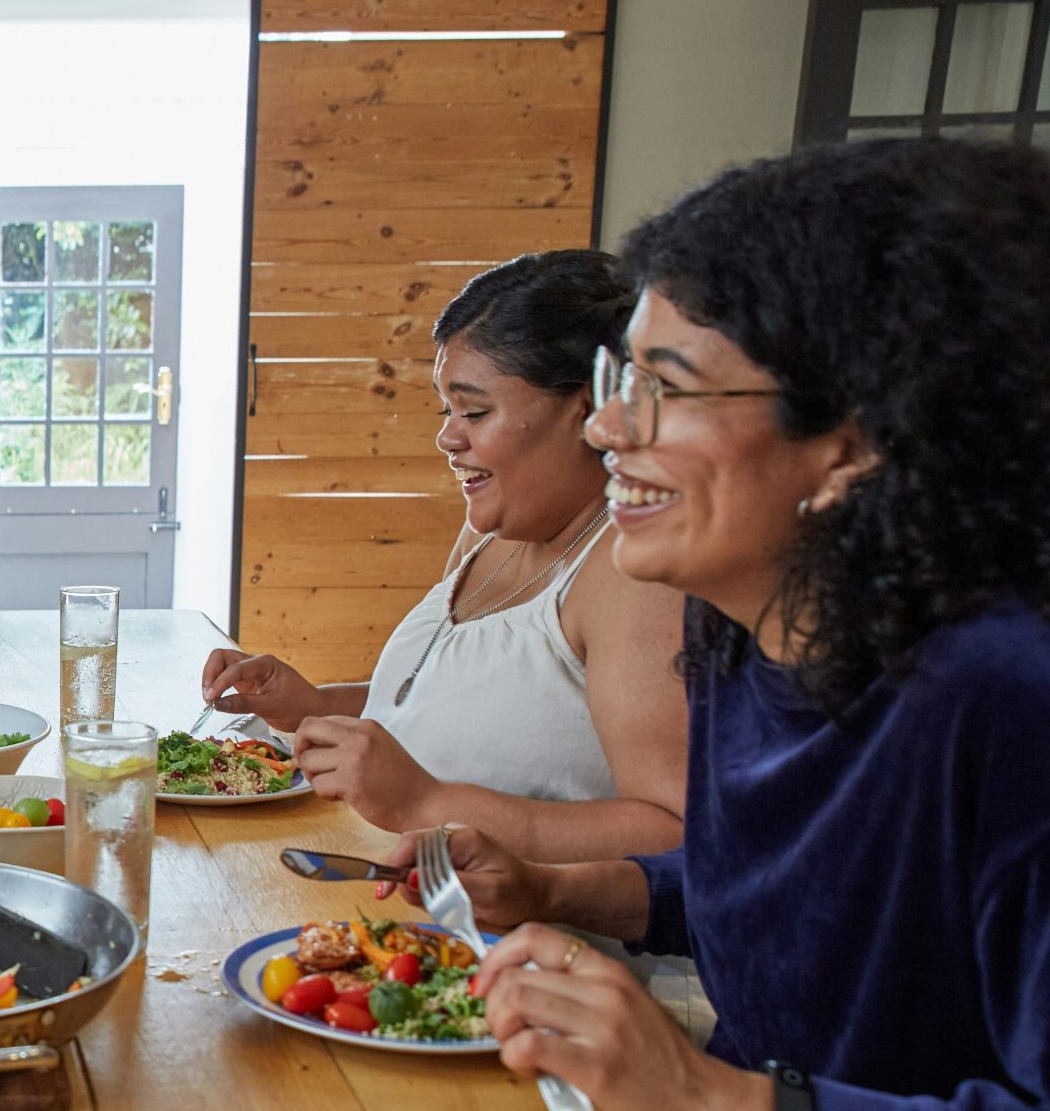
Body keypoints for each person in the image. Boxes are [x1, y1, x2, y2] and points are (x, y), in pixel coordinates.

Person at [407, 140, 1050, 1111]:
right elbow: (791, 898)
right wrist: (558, 890)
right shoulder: (746, 630)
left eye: (667, 384)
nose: (606, 423)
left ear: (854, 441)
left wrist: (732, 1108)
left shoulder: (1011, 706)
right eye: (616, 376)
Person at [202, 252, 688, 861]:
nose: (447, 438)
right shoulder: (490, 534)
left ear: (592, 410)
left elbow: (674, 835)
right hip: (385, 898)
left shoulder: (631, 575)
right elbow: (455, 710)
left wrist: (427, 806)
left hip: (516, 943)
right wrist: (315, 707)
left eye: (476, 412)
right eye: (446, 410)